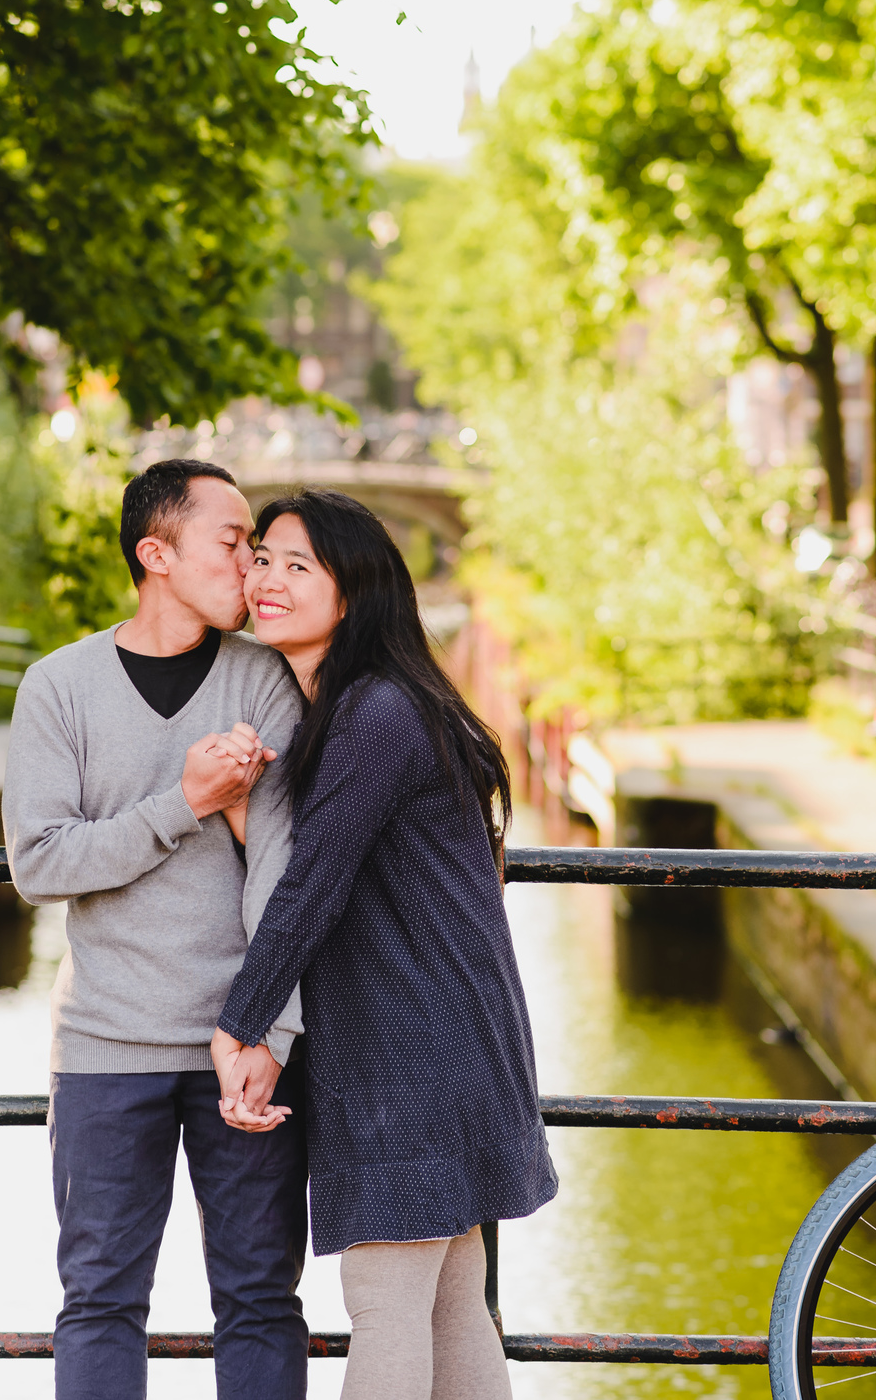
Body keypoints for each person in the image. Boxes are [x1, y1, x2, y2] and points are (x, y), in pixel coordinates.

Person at [211, 489, 557, 1400]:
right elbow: (351, 870)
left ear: (353, 595)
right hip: (449, 1037)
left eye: (299, 566)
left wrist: (241, 1023)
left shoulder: (374, 713)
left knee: (385, 1296)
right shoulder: (375, 706)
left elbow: (315, 884)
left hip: (417, 1047)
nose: (268, 580)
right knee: (450, 1299)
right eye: (263, 559)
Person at [2, 458, 307, 1400]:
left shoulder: (265, 682)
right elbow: (41, 864)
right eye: (232, 543)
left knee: (260, 1299)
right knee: (99, 1301)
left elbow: (287, 875)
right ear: (156, 554)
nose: (253, 568)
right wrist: (185, 801)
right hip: (102, 1046)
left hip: (240, 1044)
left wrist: (270, 1027)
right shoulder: (58, 688)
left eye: (259, 548)